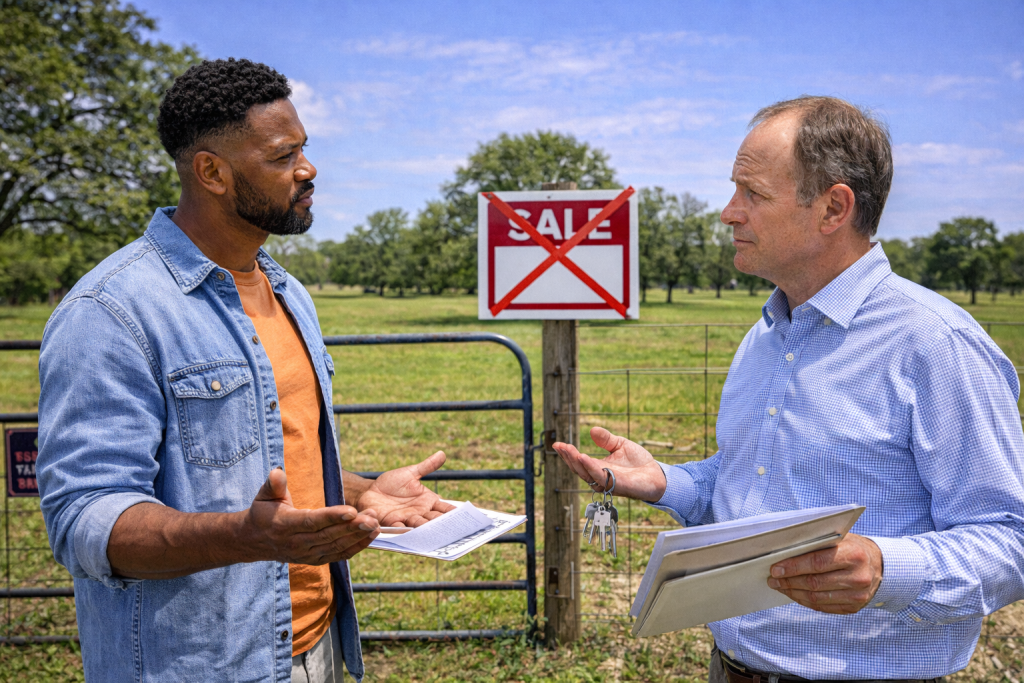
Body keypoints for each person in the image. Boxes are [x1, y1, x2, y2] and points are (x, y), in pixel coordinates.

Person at [555, 96, 1024, 681]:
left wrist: (884, 569)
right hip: (731, 667)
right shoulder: (766, 333)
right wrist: (667, 482)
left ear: (833, 207)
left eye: (752, 193)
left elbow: (1009, 540)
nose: (729, 213)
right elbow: (754, 487)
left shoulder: (937, 344)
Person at [37, 58, 454, 683]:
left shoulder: (289, 293)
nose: (308, 170)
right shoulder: (110, 313)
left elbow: (265, 467)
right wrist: (248, 537)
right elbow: (86, 521)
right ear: (212, 171)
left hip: (319, 648)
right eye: (284, 156)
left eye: (304, 149)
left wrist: (364, 494)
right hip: (199, 666)